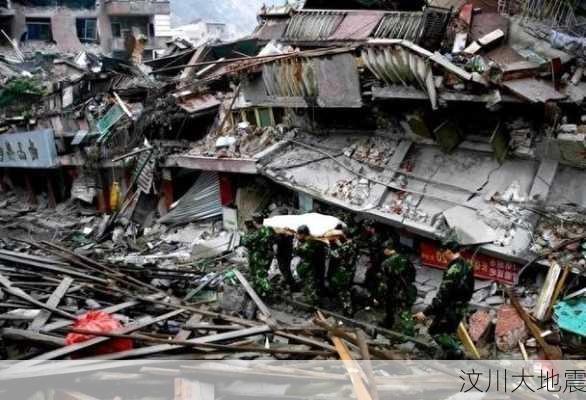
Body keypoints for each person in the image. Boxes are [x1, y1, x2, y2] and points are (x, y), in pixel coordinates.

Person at [413, 241, 474, 359]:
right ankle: (450, 355)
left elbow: (443, 296)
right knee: (448, 330)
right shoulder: (467, 265)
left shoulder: (453, 270)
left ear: (449, 251)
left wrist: (426, 312)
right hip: (461, 306)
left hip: (450, 307)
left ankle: (457, 354)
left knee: (435, 331)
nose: (442, 255)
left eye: (443, 252)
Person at [379, 246, 417, 336]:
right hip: (406, 288)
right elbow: (412, 274)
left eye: (385, 249)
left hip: (399, 290)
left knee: (402, 311)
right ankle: (390, 324)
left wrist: (381, 292)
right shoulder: (405, 259)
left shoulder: (387, 262)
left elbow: (384, 279)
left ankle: (408, 333)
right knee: (400, 309)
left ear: (389, 250)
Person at [241, 214, 275, 298]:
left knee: (260, 275)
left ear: (254, 222)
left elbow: (245, 242)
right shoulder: (269, 229)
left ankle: (269, 292)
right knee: (261, 273)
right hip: (267, 255)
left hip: (258, 256)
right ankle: (260, 292)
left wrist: (246, 233)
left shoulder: (258, 233)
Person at [295, 225, 327, 306]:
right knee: (310, 285)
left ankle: (314, 304)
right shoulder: (314, 241)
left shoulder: (308, 244)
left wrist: (296, 244)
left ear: (303, 234)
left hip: (309, 268)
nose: (297, 236)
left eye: (298, 234)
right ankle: (312, 300)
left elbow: (298, 251)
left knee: (310, 286)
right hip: (314, 267)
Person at [329, 230, 358, 316]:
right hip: (351, 269)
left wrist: (330, 248)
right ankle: (349, 308)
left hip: (344, 271)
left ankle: (348, 310)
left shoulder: (346, 246)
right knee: (346, 288)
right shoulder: (354, 244)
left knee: (343, 291)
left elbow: (335, 254)